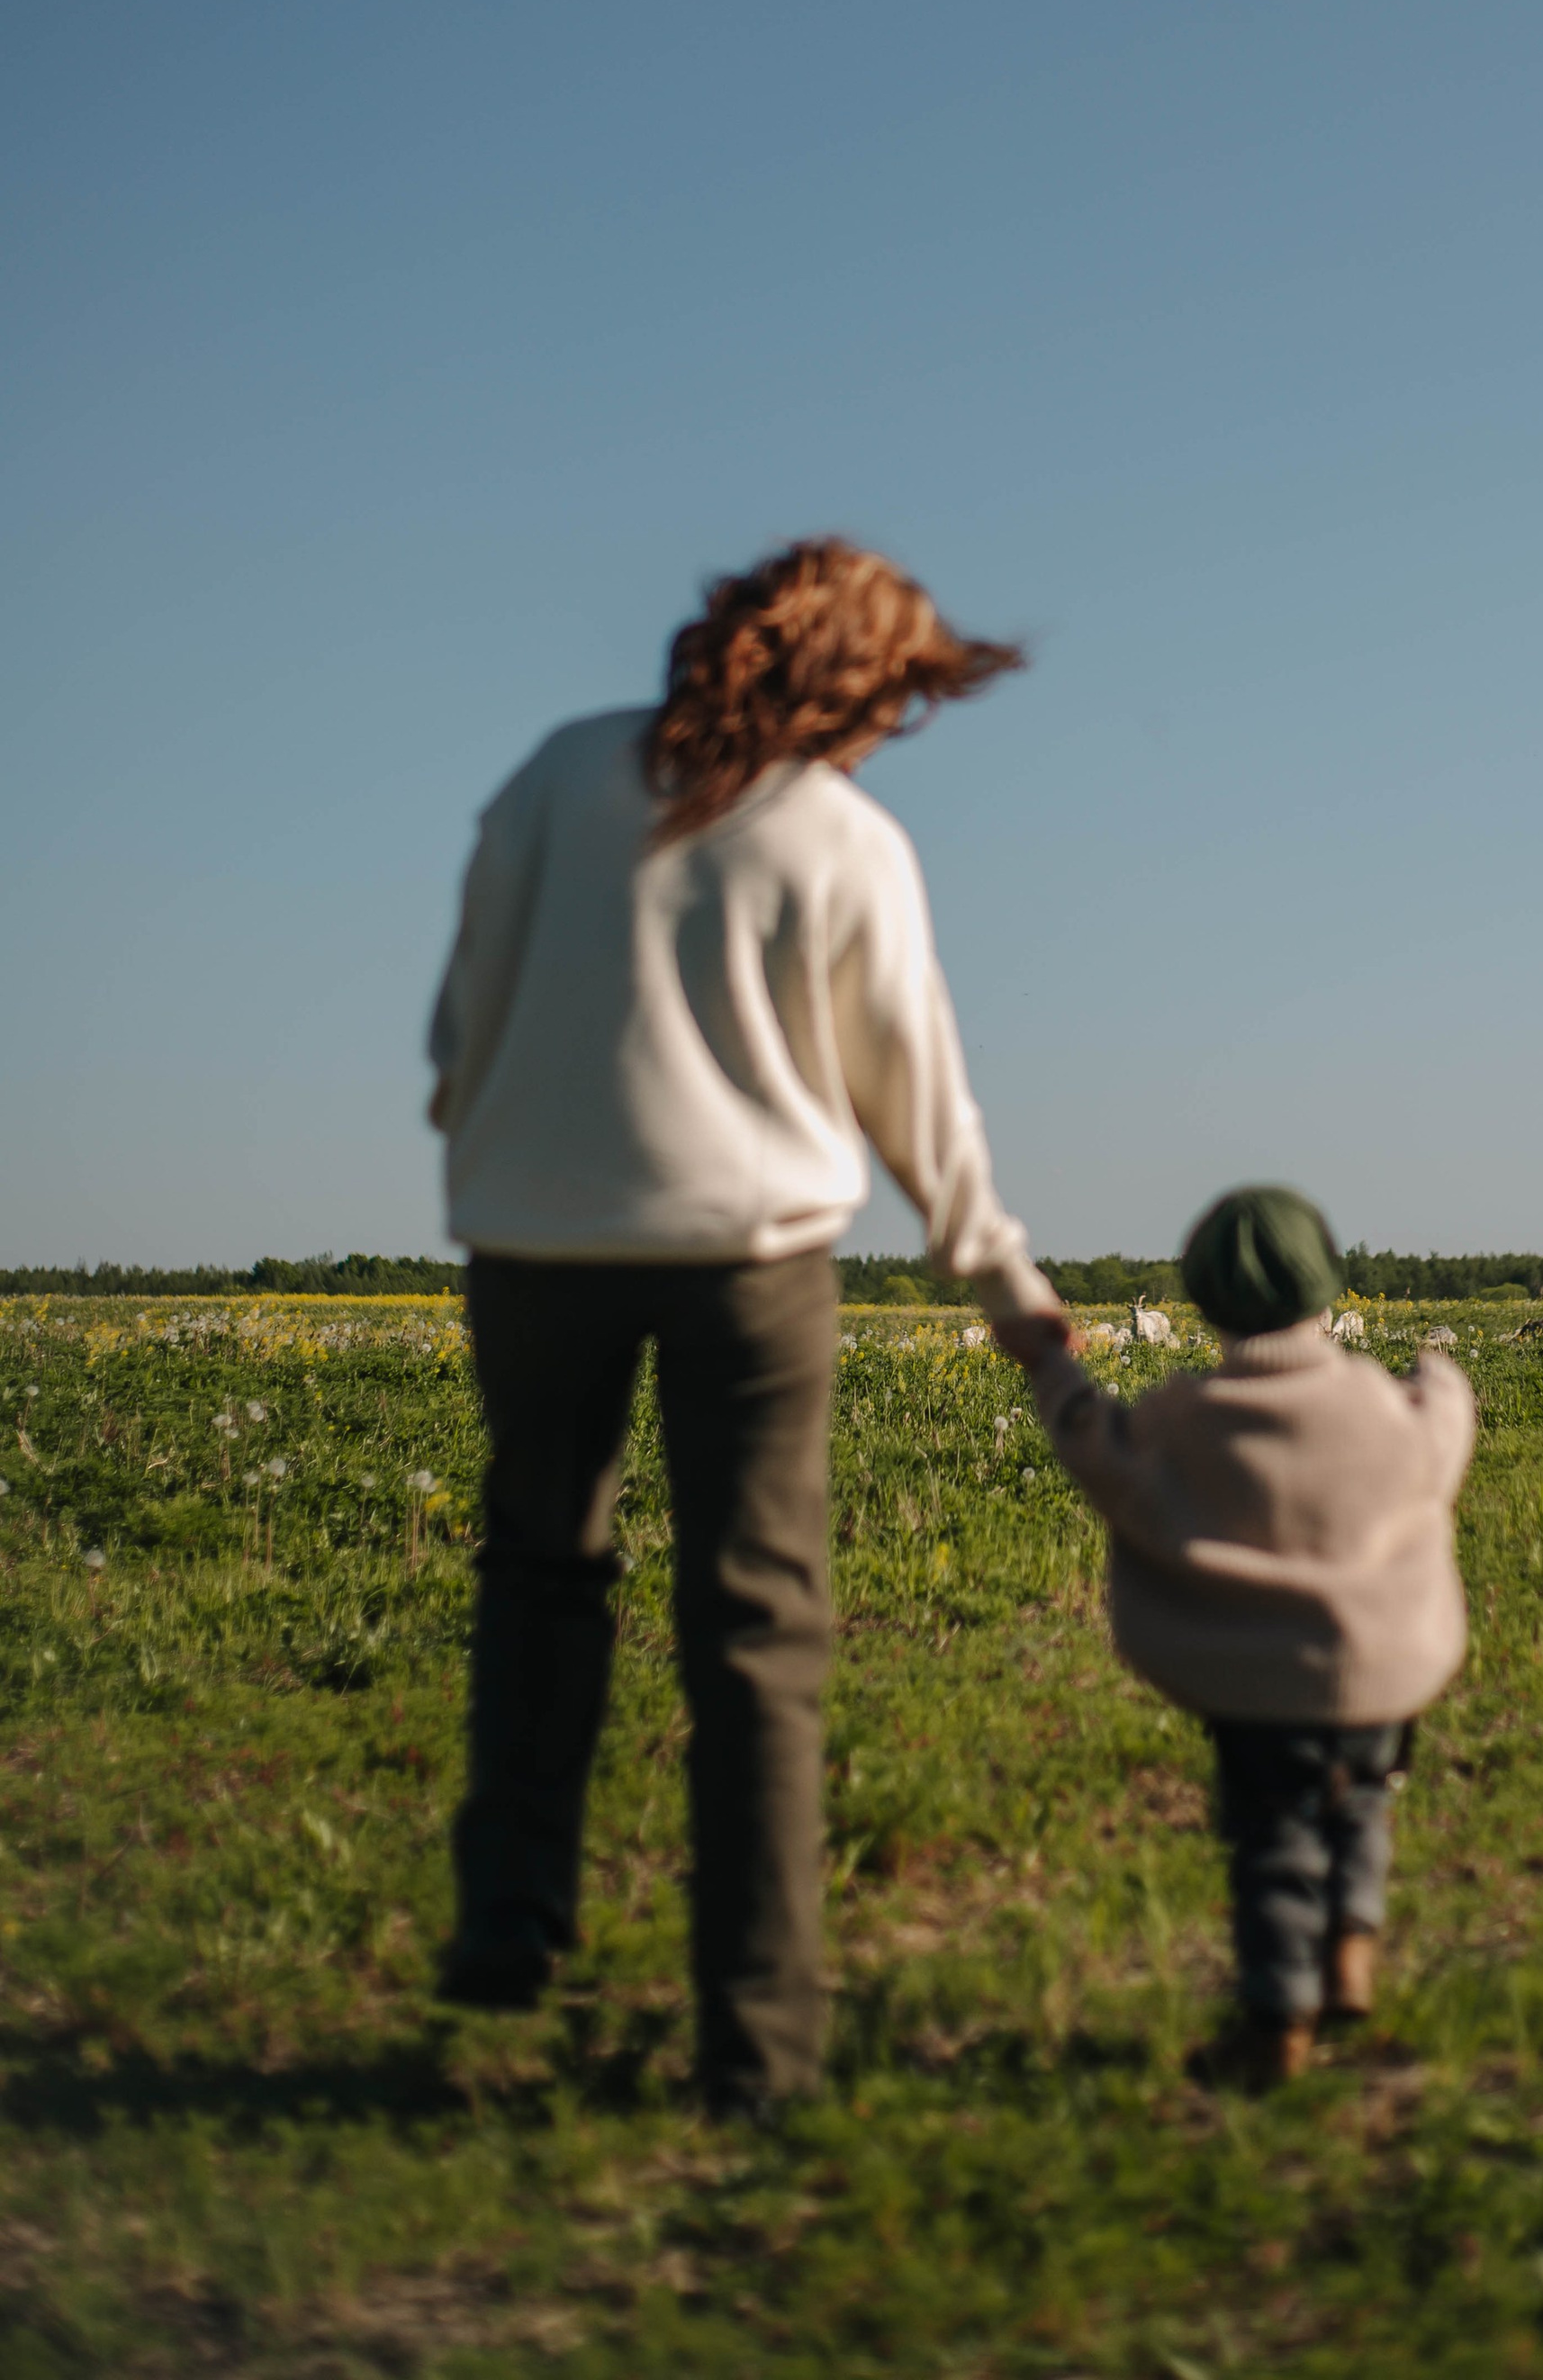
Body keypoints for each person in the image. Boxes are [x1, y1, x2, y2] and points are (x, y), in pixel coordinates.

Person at [425, 536, 1060, 2118]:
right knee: (759, 1632)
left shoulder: (553, 776)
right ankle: (758, 2041)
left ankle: (510, 1919)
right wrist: (1006, 1289)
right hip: (750, 1266)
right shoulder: (842, 840)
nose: (882, 739)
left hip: (529, 1241)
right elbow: (918, 1097)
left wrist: (494, 1134)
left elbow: (459, 1022)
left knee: (538, 1565)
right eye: (888, 706)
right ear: (850, 686)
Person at [999, 1185, 1475, 2087]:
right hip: (1380, 1670)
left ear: (1203, 1301)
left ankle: (1275, 2020)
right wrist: (1440, 1376)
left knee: (1275, 1842)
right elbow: (1442, 1435)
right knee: (1363, 1799)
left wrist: (1050, 1370)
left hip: (1257, 1679)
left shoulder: (1187, 1415)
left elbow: (1100, 1452)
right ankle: (1350, 1950)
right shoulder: (1378, 1405)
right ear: (1325, 1289)